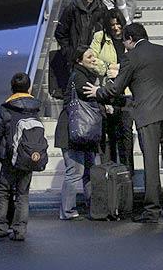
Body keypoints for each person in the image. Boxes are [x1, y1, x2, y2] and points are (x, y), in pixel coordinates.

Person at [83, 22, 163, 223]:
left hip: (148, 114)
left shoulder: (130, 57)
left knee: (151, 162)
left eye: (125, 42)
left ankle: (152, 211)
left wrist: (98, 92)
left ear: (130, 39)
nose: (124, 45)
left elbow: (116, 89)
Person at [0, 72, 41, 240]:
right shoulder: (35, 107)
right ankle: (20, 230)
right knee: (23, 193)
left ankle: (0, 227)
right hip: (28, 156)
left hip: (9, 156)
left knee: (3, 191)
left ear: (11, 88)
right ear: (29, 87)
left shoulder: (5, 108)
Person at [54, 47, 103, 220]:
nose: (93, 59)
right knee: (75, 172)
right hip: (72, 132)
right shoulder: (80, 76)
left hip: (83, 131)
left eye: (93, 56)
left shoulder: (85, 75)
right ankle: (67, 211)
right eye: (89, 56)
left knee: (88, 171)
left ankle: (93, 208)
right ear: (79, 61)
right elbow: (92, 94)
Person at [89, 8, 134, 175]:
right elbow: (91, 60)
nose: (116, 28)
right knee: (109, 136)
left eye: (118, 24)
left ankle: (127, 171)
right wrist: (107, 68)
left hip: (126, 93)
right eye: (112, 25)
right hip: (107, 93)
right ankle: (110, 172)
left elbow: (136, 60)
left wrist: (120, 70)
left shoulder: (129, 37)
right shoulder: (100, 37)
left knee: (126, 134)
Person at [54, 0, 107, 69]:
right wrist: (70, 52)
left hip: (96, 55)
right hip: (76, 58)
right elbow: (60, 33)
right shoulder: (71, 9)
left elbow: (106, 28)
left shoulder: (101, 7)